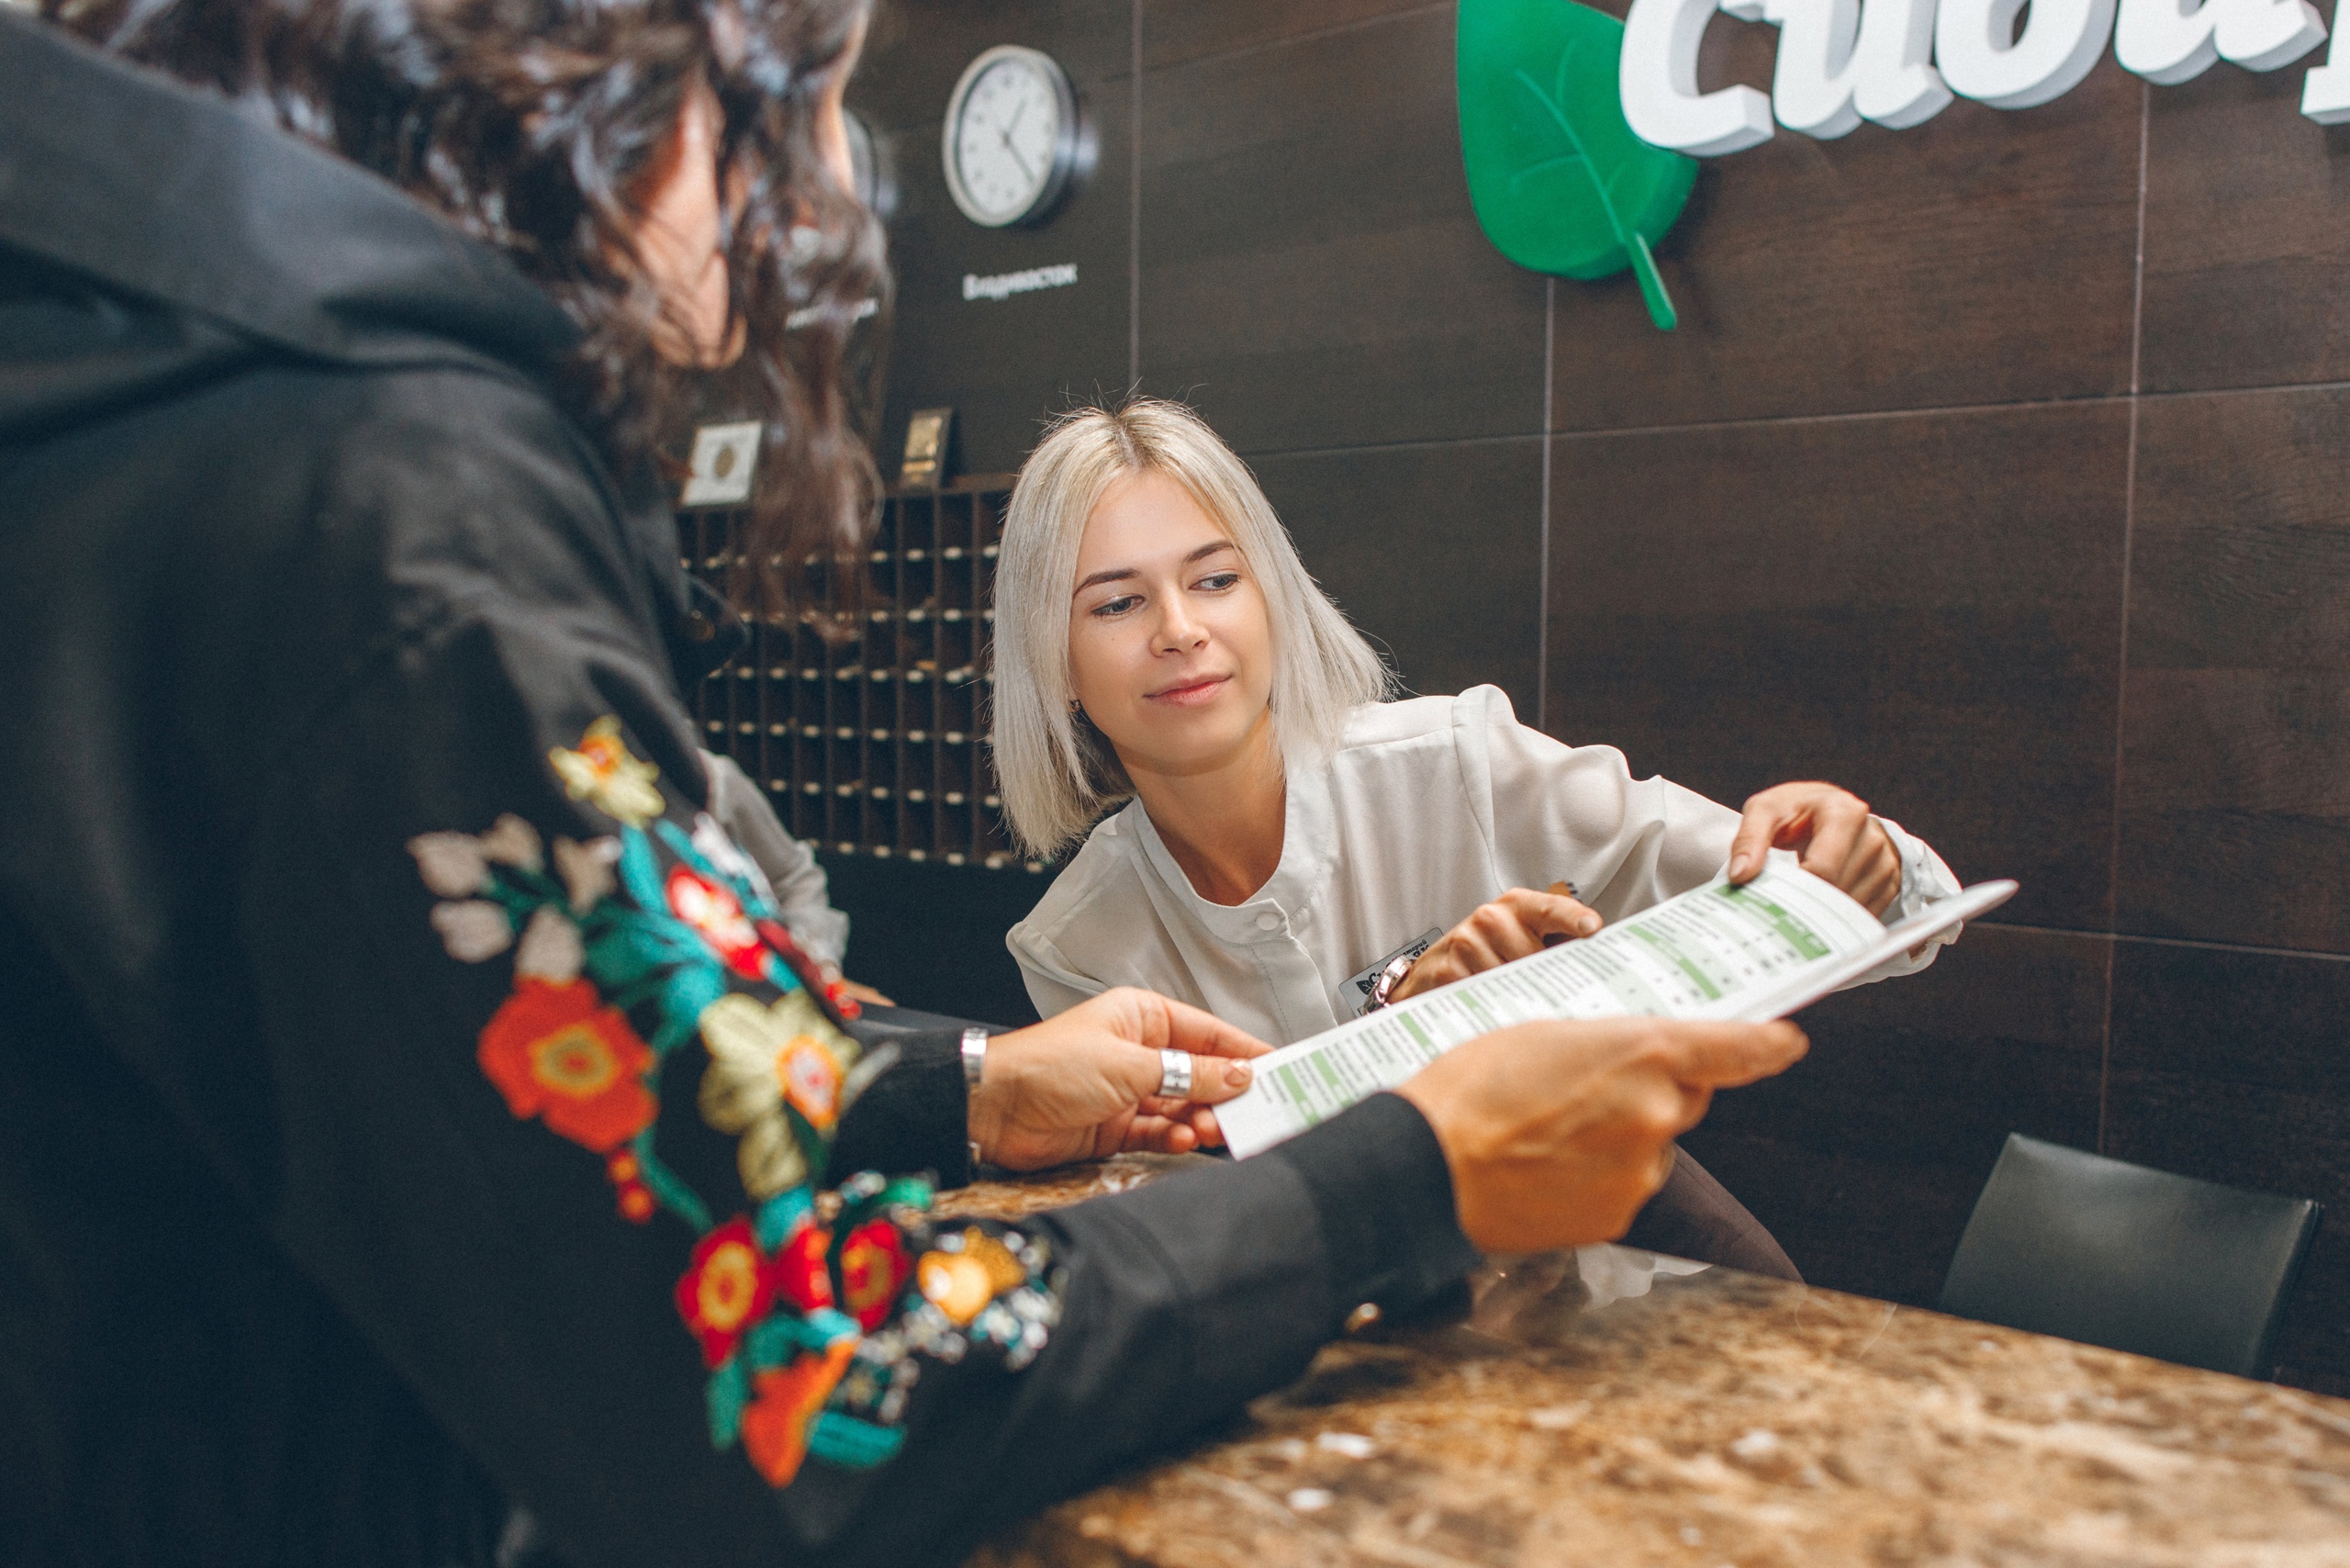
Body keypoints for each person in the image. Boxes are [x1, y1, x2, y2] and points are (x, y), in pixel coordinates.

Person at [0, 6, 1809, 1568]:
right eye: (790, 101)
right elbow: (789, 1383)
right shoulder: (391, 523)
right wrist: (1409, 1168)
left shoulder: (144, 398)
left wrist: (963, 1085)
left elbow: (470, 1048)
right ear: (578, 68)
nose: (820, 196)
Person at [994, 400, 1971, 1275]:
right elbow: (1200, 1242)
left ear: (1273, 602)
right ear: (1056, 663)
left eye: (1214, 580)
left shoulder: (1454, 763)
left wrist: (1862, 868)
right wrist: (1414, 1040)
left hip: (1614, 1297)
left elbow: (1838, 902)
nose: (1179, 629)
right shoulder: (1078, 947)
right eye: (1117, 603)